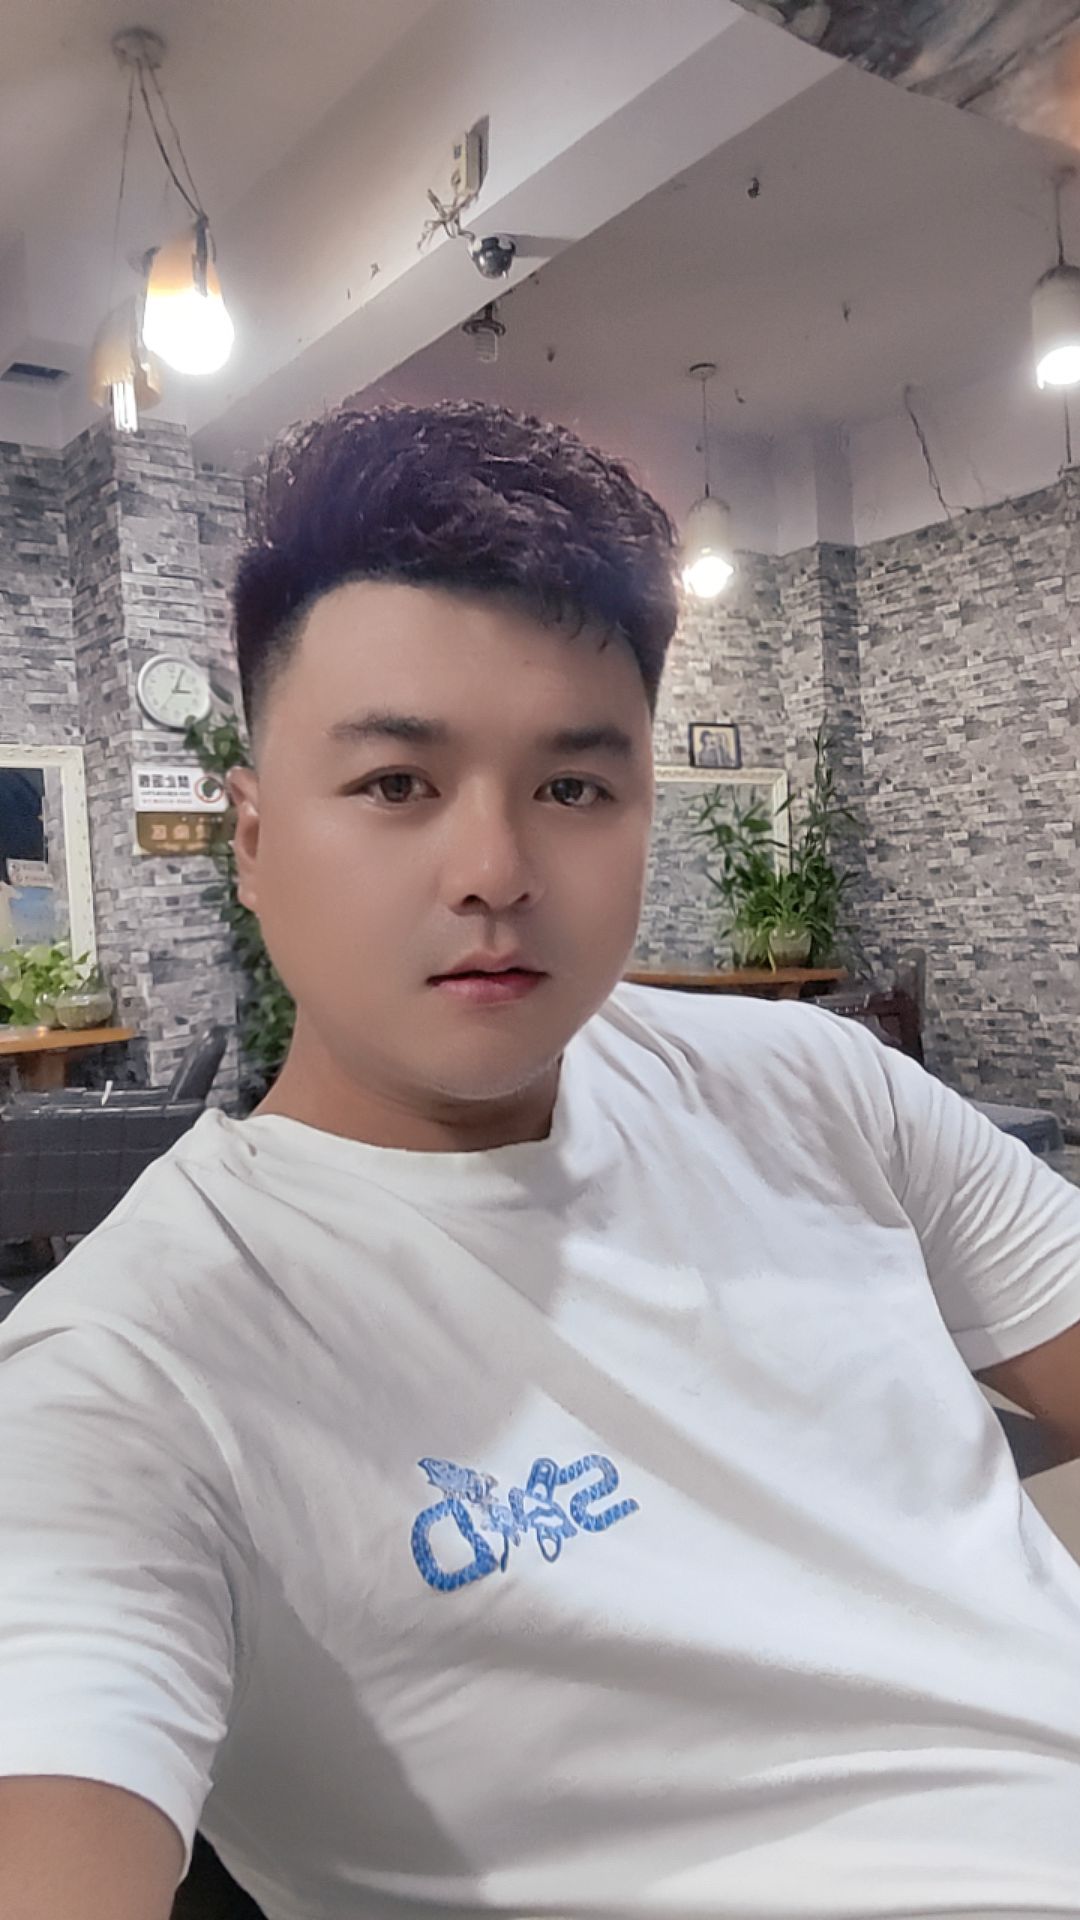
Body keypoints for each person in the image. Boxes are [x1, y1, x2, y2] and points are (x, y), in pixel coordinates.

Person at [1, 401, 1079, 1920]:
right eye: (396, 784)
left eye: (573, 787)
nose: (496, 872)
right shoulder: (129, 1376)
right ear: (250, 839)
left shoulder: (819, 1087)